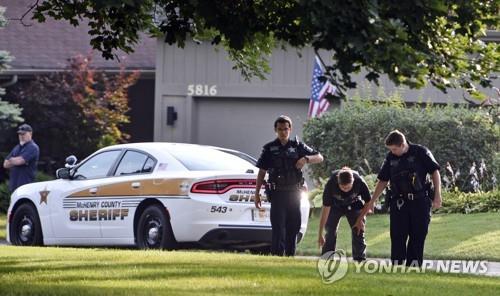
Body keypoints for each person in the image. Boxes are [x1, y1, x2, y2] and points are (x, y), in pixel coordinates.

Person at [353, 130, 442, 267]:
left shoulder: (421, 152)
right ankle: (397, 267)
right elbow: (382, 180)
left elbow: (435, 172)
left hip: (420, 201)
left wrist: (437, 195)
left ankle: (413, 268)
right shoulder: (390, 158)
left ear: (402, 144)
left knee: (418, 235)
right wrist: (372, 201)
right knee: (397, 236)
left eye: (394, 149)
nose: (392, 152)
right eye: (390, 149)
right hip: (399, 202)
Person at [254, 115, 323, 256]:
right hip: (277, 193)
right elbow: (261, 173)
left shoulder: (297, 146)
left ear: (290, 129)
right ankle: (277, 256)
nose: (283, 132)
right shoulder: (269, 148)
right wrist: (257, 195)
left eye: (285, 129)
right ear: (275, 130)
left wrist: (305, 159)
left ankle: (290, 255)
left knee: (294, 226)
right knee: (278, 227)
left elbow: (320, 157)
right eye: (280, 129)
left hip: (294, 193)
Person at [318, 167, 371, 261]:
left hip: (354, 204)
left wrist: (360, 220)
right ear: (338, 183)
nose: (345, 190)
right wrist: (320, 234)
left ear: (353, 182)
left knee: (358, 229)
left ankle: (359, 258)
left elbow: (369, 203)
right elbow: (326, 209)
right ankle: (327, 258)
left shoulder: (359, 181)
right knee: (330, 231)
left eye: (348, 187)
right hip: (335, 206)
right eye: (342, 187)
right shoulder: (331, 184)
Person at [3, 124, 40, 193]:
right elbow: (5, 164)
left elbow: (19, 161)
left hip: (26, 186)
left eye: (24, 134)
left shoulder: (33, 147)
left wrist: (12, 160)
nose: (21, 136)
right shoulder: (16, 148)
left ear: (30, 133)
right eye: (20, 134)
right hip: (14, 186)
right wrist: (16, 160)